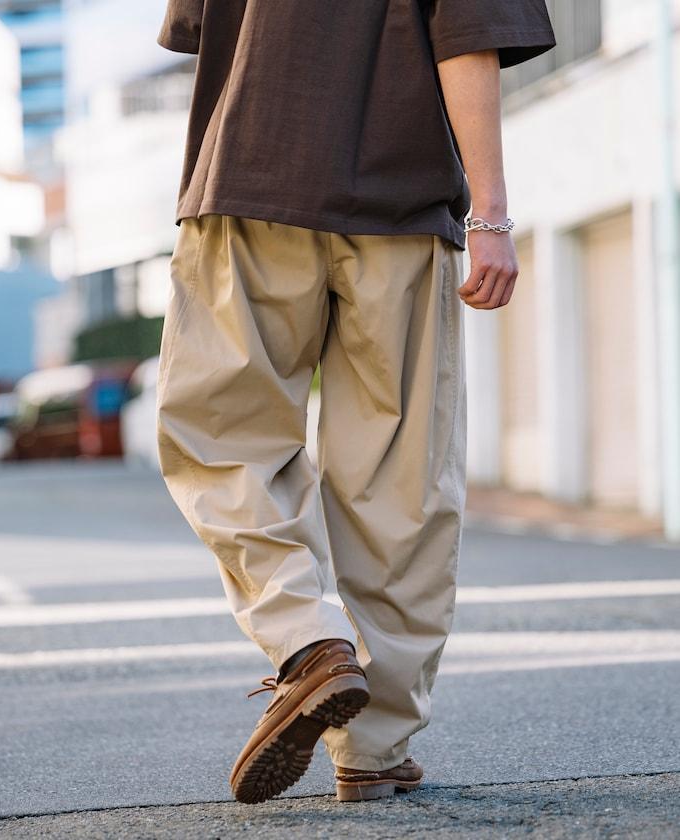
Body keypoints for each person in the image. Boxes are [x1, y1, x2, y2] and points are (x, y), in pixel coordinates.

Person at [155, 0, 555, 805]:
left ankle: (306, 640)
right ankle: (373, 745)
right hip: (399, 204)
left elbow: (201, 35)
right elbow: (469, 35)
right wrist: (490, 215)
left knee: (220, 438)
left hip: (250, 178)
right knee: (399, 479)